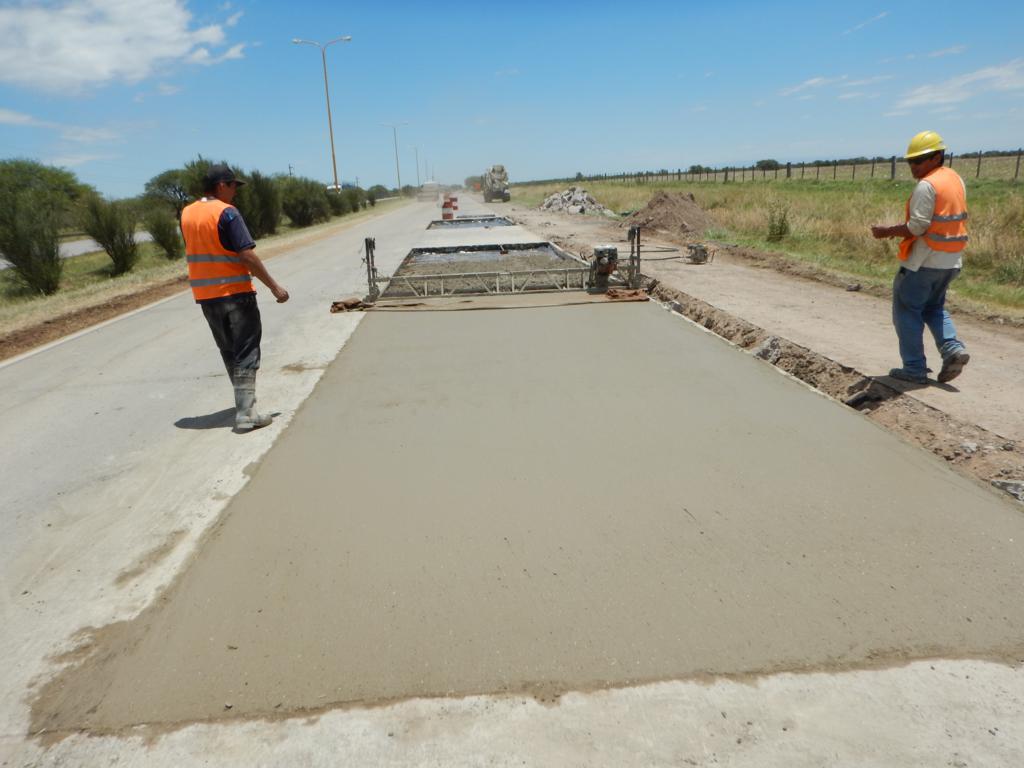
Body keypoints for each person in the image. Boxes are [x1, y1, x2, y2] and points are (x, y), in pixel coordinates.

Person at [180, 164, 290, 431]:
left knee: (229, 349)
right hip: (235, 293)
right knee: (246, 350)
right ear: (221, 186)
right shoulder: (226, 212)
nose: (235, 192)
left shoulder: (187, 213)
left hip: (206, 296)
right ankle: (246, 413)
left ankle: (245, 405)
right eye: (233, 186)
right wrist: (274, 286)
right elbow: (246, 254)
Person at [870, 130, 970, 385]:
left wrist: (887, 232)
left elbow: (917, 227)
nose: (914, 166)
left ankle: (914, 369)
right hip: (951, 261)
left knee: (906, 311)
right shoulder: (954, 179)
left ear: (937, 157)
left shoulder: (927, 186)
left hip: (923, 262)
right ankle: (952, 349)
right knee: (934, 307)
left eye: (919, 160)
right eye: (910, 161)